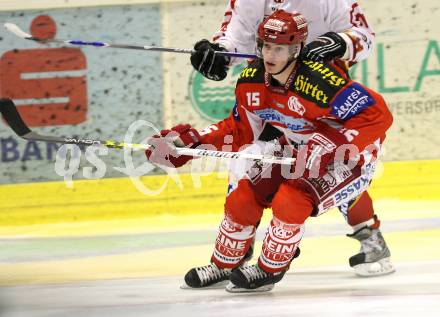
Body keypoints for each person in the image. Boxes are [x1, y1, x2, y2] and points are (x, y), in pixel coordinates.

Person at [146, 10, 394, 292]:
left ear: (297, 48)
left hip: (349, 156)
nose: (269, 55)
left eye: (279, 48)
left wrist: (329, 145)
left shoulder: (320, 80)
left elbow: (376, 116)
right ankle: (225, 264)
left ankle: (268, 270)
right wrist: (189, 143)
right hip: (297, 148)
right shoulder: (253, 79)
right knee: (244, 194)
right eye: (265, 46)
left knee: (292, 198)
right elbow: (240, 131)